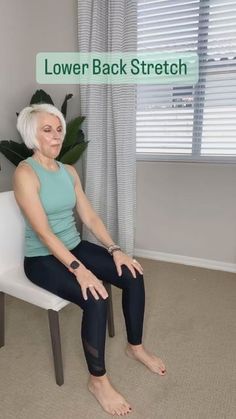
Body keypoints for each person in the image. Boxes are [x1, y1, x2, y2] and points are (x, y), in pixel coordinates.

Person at [13, 103, 166, 416]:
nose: (56, 136)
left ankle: (135, 347)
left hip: (74, 246)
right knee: (95, 296)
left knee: (132, 274)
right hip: (42, 258)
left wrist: (115, 249)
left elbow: (89, 216)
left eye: (58, 129)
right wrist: (79, 271)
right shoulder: (25, 173)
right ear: (32, 136)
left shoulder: (68, 172)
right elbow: (43, 234)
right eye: (47, 130)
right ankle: (98, 381)